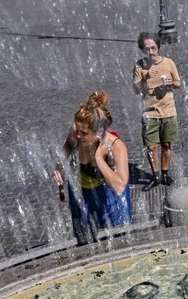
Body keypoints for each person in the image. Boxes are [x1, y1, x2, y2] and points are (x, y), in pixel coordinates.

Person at [54, 91, 131, 245]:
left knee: (118, 240)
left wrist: (99, 158)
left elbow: (120, 185)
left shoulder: (116, 146)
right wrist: (59, 168)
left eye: (84, 133)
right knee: (85, 239)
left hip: (109, 195)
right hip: (82, 191)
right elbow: (68, 145)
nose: (78, 136)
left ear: (99, 132)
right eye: (77, 130)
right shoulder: (77, 131)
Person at [133, 32, 182, 191]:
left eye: (153, 48)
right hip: (149, 113)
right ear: (142, 49)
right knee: (152, 147)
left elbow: (178, 83)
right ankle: (155, 176)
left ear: (158, 47)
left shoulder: (168, 63)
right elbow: (136, 89)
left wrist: (172, 83)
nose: (151, 51)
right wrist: (145, 77)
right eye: (147, 48)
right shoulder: (139, 66)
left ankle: (165, 175)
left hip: (168, 111)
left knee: (167, 144)